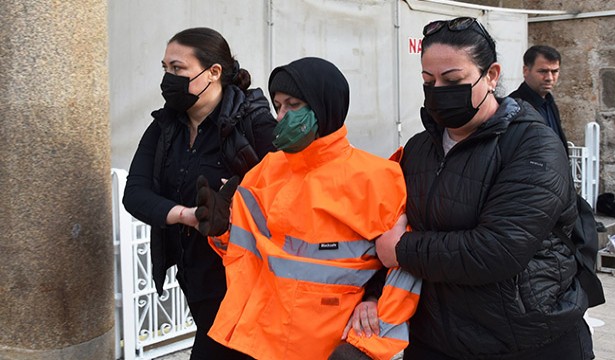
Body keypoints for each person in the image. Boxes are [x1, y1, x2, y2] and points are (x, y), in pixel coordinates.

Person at [374, 17, 594, 359]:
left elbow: (499, 249)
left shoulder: (533, 145)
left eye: (454, 80)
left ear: (491, 76)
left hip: (526, 341)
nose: (439, 92)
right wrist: (372, 295)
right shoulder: (418, 149)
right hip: (433, 339)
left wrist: (402, 250)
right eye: (428, 81)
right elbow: (384, 226)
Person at [195, 57, 421, 360]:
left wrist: (367, 346)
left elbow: (404, 268)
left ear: (324, 106)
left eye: (293, 105)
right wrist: (222, 231)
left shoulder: (375, 178)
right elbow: (247, 255)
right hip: (264, 342)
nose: (281, 116)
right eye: (278, 106)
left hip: (332, 346)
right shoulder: (266, 172)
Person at [122, 27, 277, 360]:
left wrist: (238, 203)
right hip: (194, 279)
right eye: (165, 69)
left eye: (178, 69)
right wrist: (186, 215)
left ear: (214, 73)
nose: (168, 78)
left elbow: (290, 196)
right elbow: (134, 193)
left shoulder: (255, 124)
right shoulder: (164, 127)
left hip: (248, 285)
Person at [508, 45, 567, 148]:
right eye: (543, 71)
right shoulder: (513, 106)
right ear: (526, 71)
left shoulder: (550, 103)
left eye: (554, 71)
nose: (549, 78)